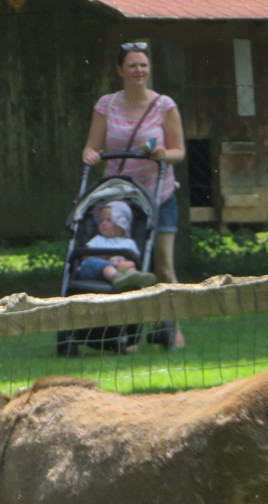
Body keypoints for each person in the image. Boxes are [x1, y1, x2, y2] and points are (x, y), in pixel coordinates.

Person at [82, 41, 187, 348]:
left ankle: (173, 327)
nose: (138, 70)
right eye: (132, 65)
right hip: (120, 199)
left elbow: (179, 151)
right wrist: (90, 154)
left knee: (163, 264)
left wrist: (161, 153)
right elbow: (92, 146)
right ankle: (128, 332)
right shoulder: (107, 105)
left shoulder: (164, 106)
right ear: (120, 70)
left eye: (143, 65)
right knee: (127, 263)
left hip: (158, 195)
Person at [77, 201, 157, 291]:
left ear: (120, 225)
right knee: (101, 265)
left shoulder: (129, 243)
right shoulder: (97, 239)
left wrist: (122, 264)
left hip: (120, 269)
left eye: (108, 220)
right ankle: (116, 278)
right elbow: (86, 256)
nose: (103, 223)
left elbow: (134, 261)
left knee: (131, 266)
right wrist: (107, 259)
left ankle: (135, 278)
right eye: (101, 220)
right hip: (93, 271)